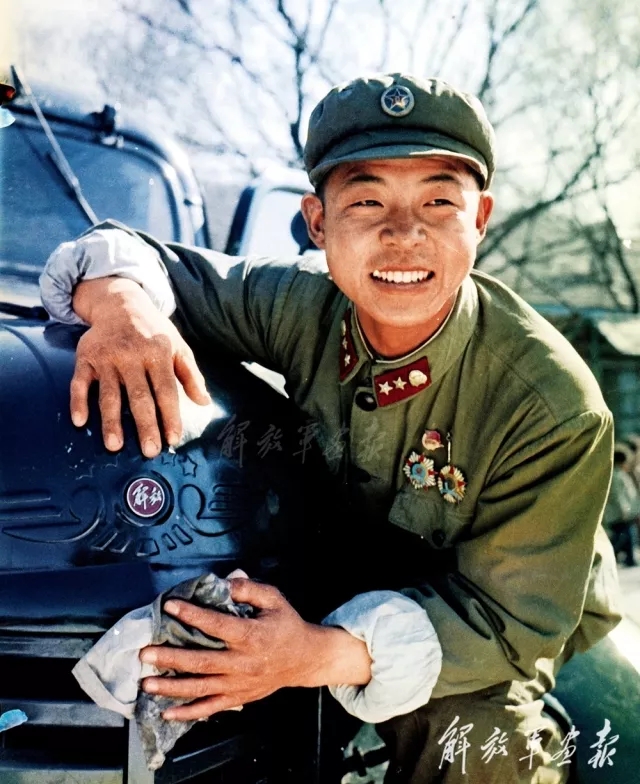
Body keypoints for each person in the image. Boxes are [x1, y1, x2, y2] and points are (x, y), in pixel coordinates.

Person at [40, 74, 621, 783]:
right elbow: (135, 257)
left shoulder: (550, 404)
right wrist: (123, 310)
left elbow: (513, 619)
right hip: (350, 562)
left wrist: (316, 655)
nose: (403, 234)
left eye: (439, 202)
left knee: (470, 737)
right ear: (318, 223)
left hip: (499, 601)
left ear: (481, 219)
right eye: (367, 201)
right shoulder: (302, 305)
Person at [603, 446, 639, 567]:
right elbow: (618, 495)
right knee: (622, 537)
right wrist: (624, 510)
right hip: (619, 513)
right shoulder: (616, 475)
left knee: (627, 535)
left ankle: (630, 558)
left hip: (622, 513)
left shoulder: (620, 474)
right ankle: (622, 557)